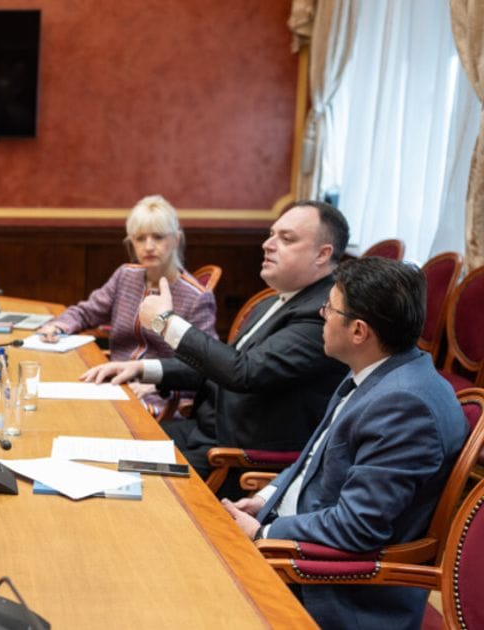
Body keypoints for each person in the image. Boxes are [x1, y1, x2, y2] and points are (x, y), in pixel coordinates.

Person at [221, 256, 465, 629]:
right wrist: (266, 499)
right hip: (296, 543)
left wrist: (263, 533)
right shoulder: (380, 371)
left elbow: (357, 527)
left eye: (329, 309)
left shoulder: (404, 405)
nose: (321, 315)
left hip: (329, 588)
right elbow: (315, 460)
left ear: (359, 331)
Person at [84, 201, 349, 491]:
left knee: (114, 482)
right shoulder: (274, 300)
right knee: (100, 444)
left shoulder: (321, 314)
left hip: (232, 456)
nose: (267, 244)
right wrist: (142, 368)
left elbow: (244, 372)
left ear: (322, 254)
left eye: (286, 239)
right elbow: (220, 366)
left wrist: (166, 323)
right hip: (201, 431)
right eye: (271, 234)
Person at [36, 195, 216, 405]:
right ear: (131, 243)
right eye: (140, 238)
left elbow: (205, 367)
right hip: (113, 382)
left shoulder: (197, 297)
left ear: (176, 240)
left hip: (156, 396)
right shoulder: (125, 276)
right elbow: (87, 312)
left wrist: (159, 385)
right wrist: (59, 326)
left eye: (158, 237)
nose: (148, 246)